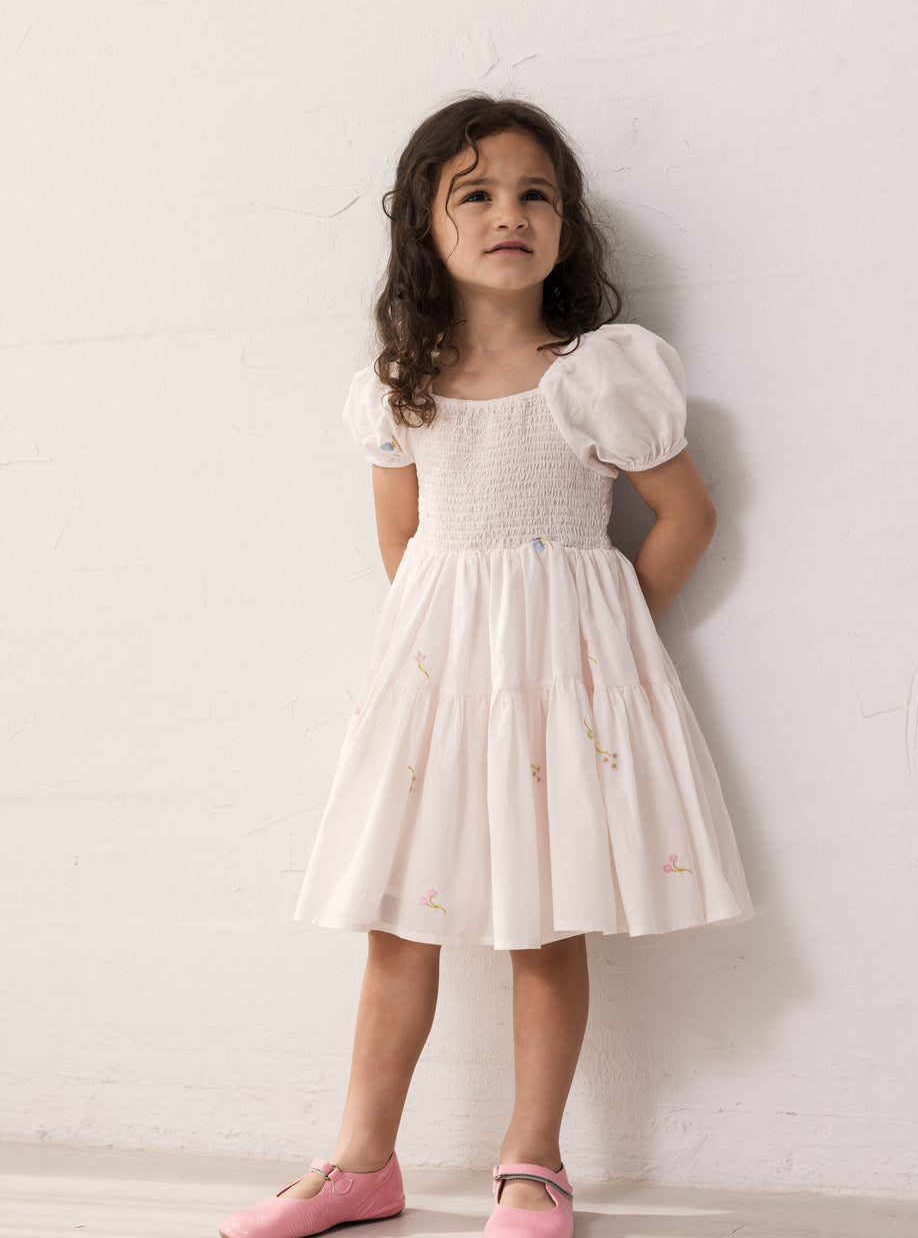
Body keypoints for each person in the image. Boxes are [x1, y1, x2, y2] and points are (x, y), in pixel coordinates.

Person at [218, 95, 753, 1238]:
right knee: (396, 919)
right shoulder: (398, 385)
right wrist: (455, 658)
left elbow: (686, 516)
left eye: (534, 194)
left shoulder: (597, 373)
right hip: (439, 686)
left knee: (544, 916)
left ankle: (531, 1159)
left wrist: (600, 644)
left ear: (565, 225)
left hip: (561, 692)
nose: (508, 212)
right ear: (426, 223)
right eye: (476, 193)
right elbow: (404, 546)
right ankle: (361, 1161)